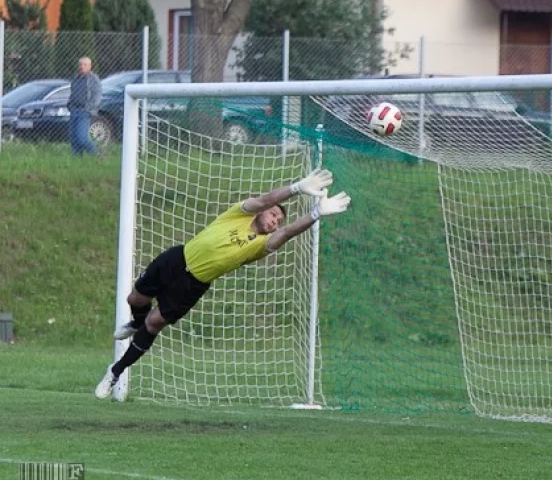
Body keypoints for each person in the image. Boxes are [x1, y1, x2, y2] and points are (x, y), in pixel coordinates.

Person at [95, 168, 351, 399]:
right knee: (134, 300)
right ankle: (135, 322)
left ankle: (115, 372)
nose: (274, 221)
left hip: (193, 285)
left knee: (154, 323)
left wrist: (316, 212)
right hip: (176, 259)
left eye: (277, 221)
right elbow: (265, 199)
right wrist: (296, 188)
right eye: (273, 214)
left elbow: (287, 233)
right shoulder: (237, 214)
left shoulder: (261, 245)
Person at [66, 57, 102, 156]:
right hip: (74, 110)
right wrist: (70, 105)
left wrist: (88, 108)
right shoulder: (76, 79)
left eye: (85, 64)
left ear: (90, 66)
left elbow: (97, 96)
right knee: (74, 140)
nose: (82, 67)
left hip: (84, 111)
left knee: (82, 138)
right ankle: (77, 162)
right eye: (80, 64)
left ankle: (97, 155)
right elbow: (73, 93)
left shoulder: (93, 79)